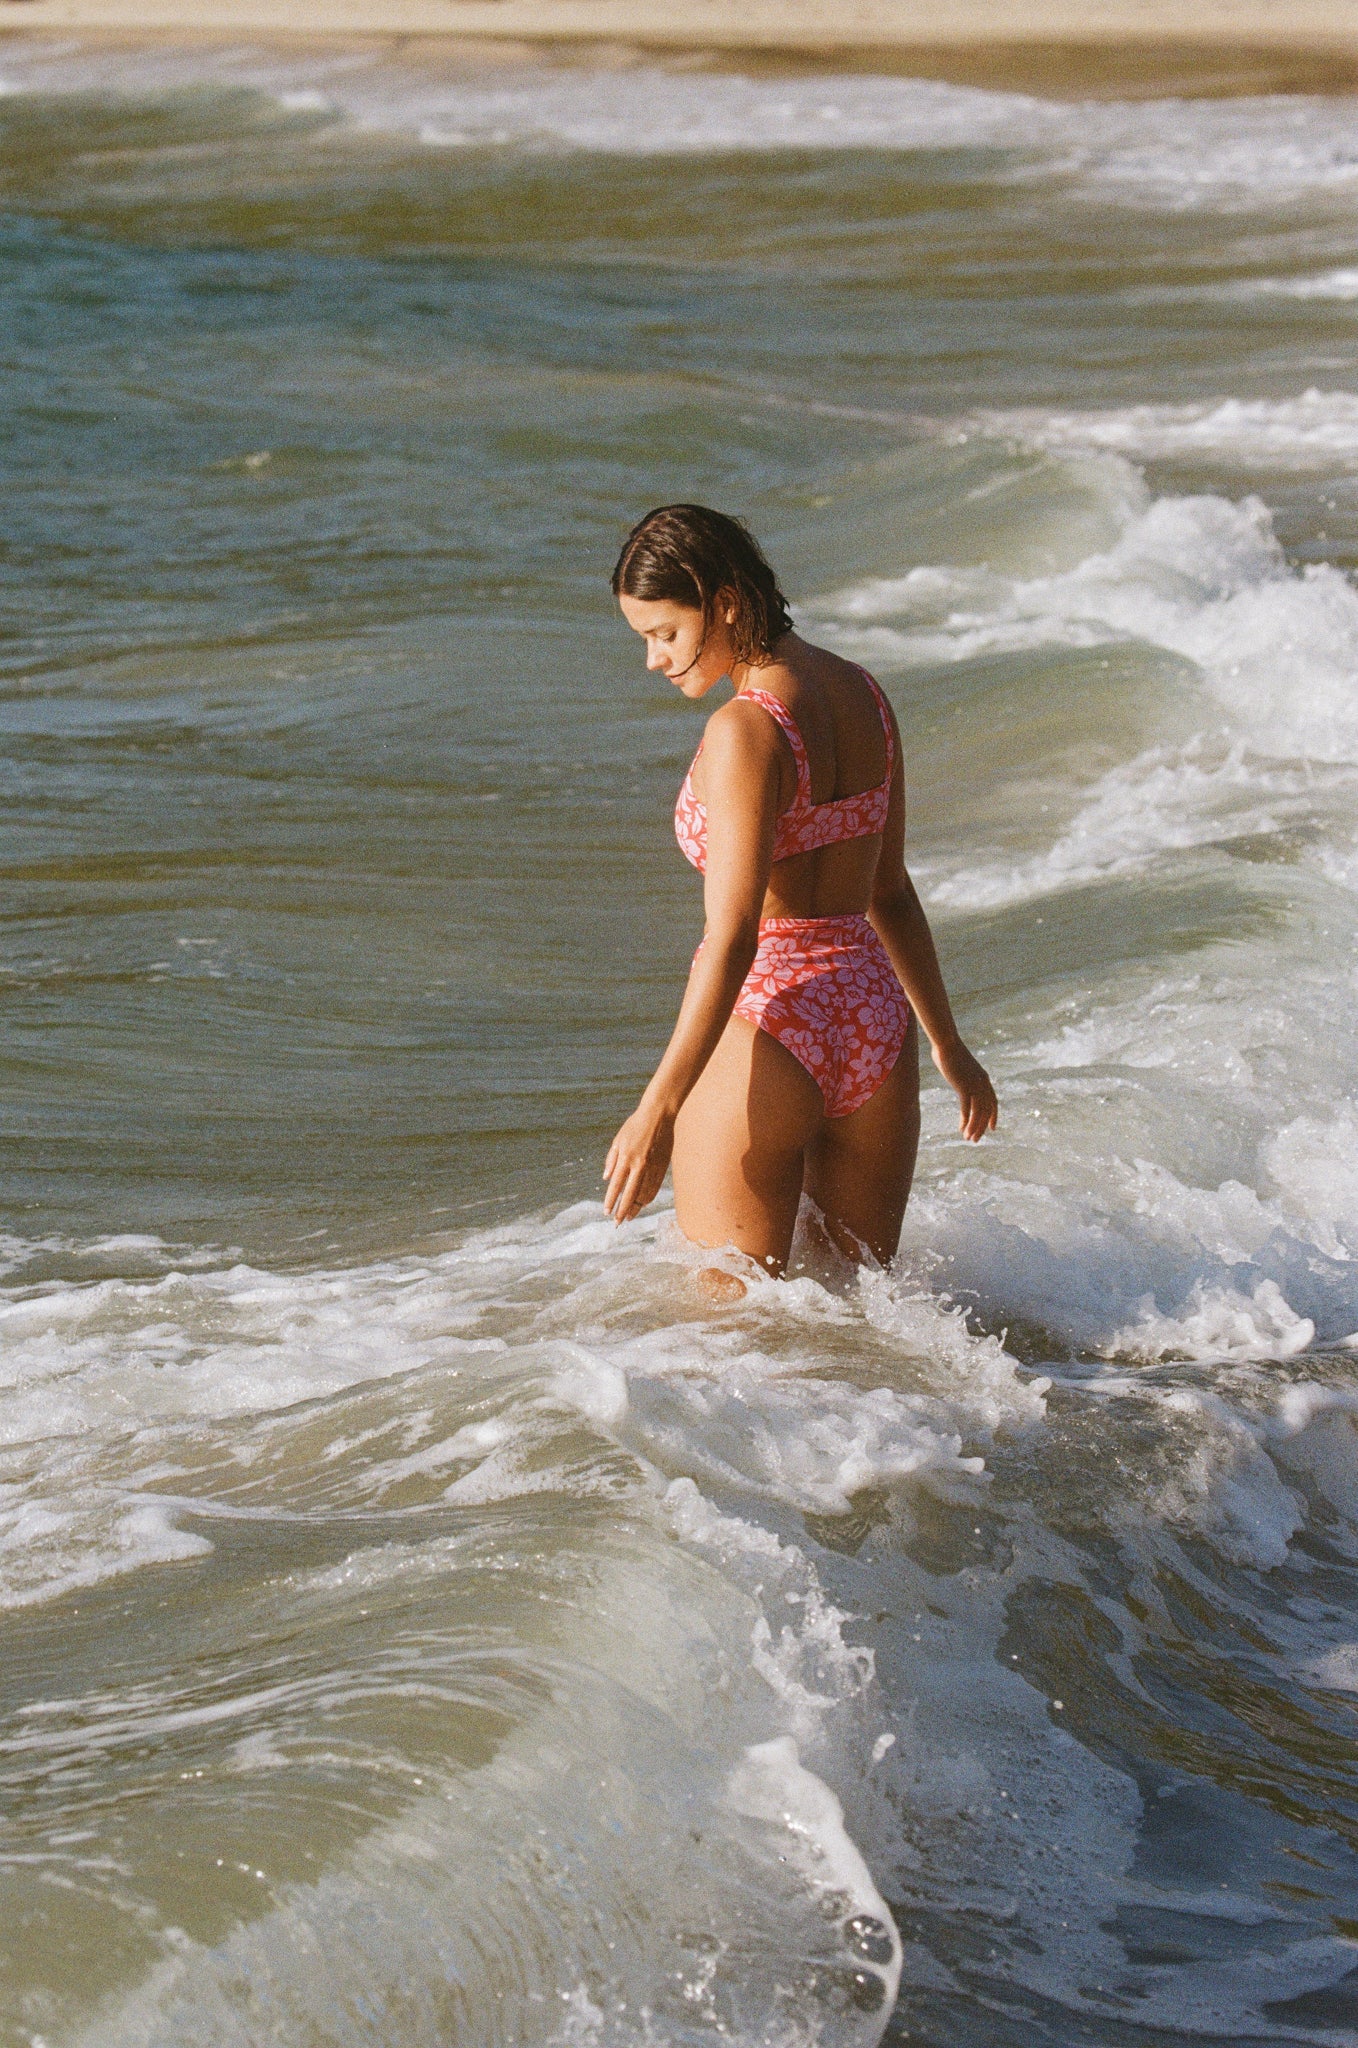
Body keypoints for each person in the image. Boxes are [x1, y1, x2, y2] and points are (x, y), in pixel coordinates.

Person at [603, 504, 997, 1275]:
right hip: (875, 1026)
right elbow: (891, 891)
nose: (654, 659)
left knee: (727, 1331)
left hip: (769, 1022)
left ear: (722, 603)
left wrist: (659, 1106)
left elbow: (735, 936)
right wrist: (947, 1044)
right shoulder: (865, 695)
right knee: (856, 1322)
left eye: (665, 634)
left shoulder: (744, 730)